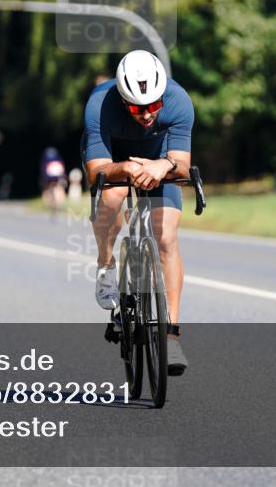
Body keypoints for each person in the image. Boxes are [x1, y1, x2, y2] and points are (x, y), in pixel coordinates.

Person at [81, 50, 194, 375]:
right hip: (114, 158)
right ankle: (106, 264)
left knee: (167, 238)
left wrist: (164, 165)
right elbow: (95, 172)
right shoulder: (99, 105)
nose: (146, 114)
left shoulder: (178, 100)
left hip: (159, 157)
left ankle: (171, 334)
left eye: (153, 107)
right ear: (121, 98)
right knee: (113, 195)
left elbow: (182, 163)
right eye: (136, 107)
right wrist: (126, 168)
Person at [39, 146, 67, 215]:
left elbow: (43, 170)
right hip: (58, 176)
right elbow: (62, 169)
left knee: (47, 188)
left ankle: (50, 203)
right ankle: (59, 203)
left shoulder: (45, 159)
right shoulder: (58, 159)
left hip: (49, 177)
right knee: (59, 188)